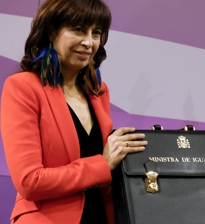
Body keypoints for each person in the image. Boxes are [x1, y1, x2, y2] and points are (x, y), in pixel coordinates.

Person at [1, 0, 148, 223]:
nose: (89, 42)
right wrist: (102, 163)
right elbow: (30, 181)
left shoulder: (99, 90)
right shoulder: (22, 87)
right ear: (51, 31)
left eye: (96, 33)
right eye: (79, 30)